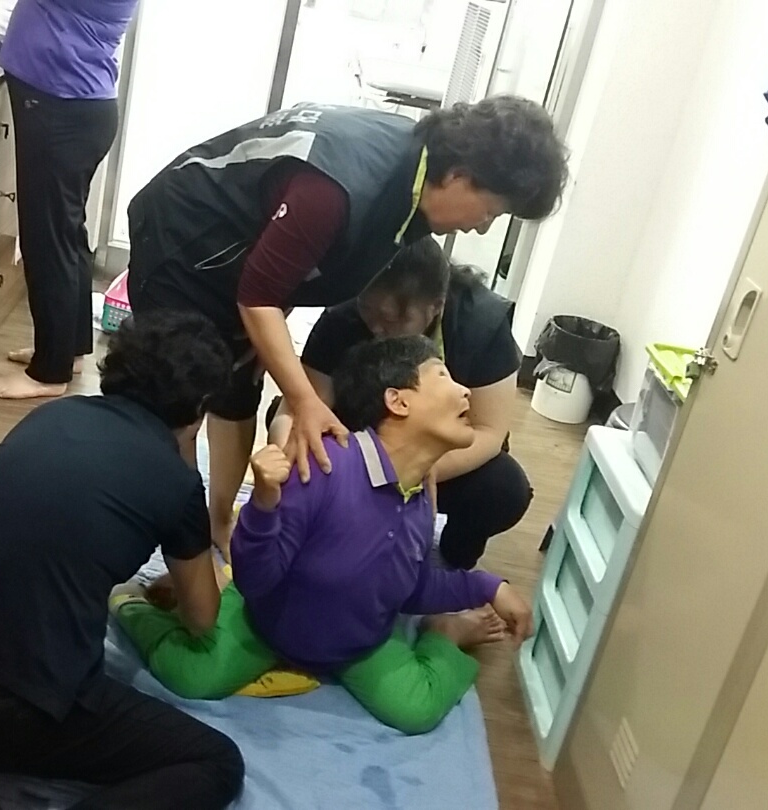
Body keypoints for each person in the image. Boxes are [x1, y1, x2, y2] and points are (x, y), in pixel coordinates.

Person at [125, 96, 569, 557]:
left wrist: (266, 337)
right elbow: (260, 296)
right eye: (490, 212)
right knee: (181, 405)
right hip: (186, 243)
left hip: (246, 260)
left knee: (239, 386)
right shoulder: (339, 189)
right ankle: (179, 539)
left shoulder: (414, 190)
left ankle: (219, 522)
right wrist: (302, 401)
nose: (482, 228)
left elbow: (290, 270)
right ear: (459, 176)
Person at [0, 311, 244, 810]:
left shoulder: (54, 414)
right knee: (215, 761)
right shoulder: (178, 483)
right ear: (199, 410)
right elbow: (202, 617)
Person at [112, 336, 535, 735]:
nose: (466, 392)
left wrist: (488, 587)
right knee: (192, 676)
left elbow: (408, 586)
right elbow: (255, 579)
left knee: (416, 710)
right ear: (398, 401)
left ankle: (445, 633)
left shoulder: (421, 493)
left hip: (360, 642)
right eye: (443, 375)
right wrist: (263, 504)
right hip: (267, 627)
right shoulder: (323, 466)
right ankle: (131, 604)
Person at [270, 238, 533, 569]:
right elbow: (301, 409)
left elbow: (489, 431)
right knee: (295, 438)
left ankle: (453, 559)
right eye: (369, 311)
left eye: (394, 319)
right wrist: (290, 457)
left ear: (435, 307)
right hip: (356, 455)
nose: (377, 328)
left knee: (503, 488)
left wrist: (418, 469)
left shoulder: (480, 324)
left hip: (436, 460)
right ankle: (324, 530)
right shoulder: (344, 315)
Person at [0, 0, 139, 399]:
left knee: (48, 240)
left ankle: (49, 372)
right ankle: (67, 350)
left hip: (61, 107)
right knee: (65, 236)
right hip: (72, 105)